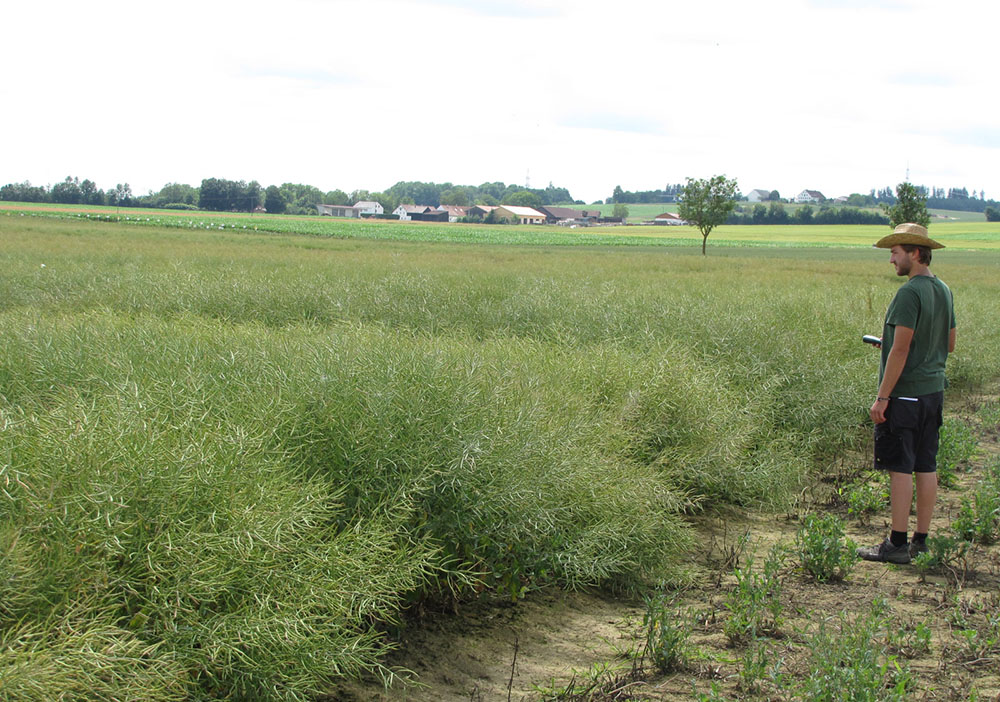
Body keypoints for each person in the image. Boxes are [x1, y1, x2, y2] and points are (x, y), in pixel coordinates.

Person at [857, 223, 956, 565]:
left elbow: (900, 350)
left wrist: (882, 397)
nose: (891, 260)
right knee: (926, 465)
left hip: (906, 396)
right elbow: (949, 343)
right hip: (933, 393)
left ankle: (896, 544)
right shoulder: (943, 289)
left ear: (915, 253)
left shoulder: (909, 293)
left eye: (896, 252)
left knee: (900, 467)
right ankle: (921, 542)